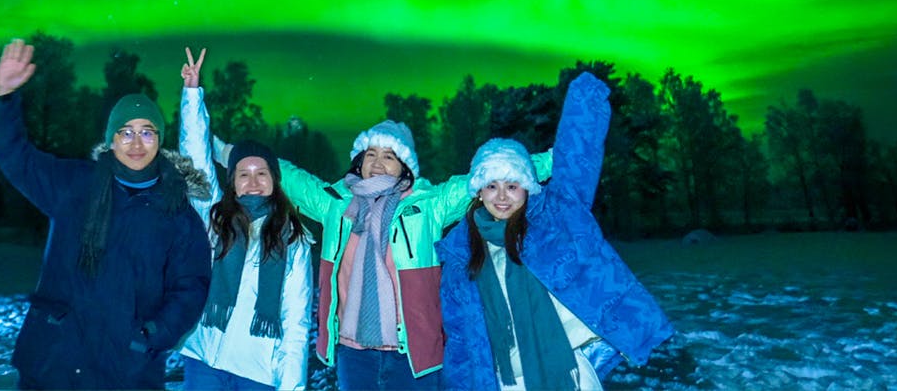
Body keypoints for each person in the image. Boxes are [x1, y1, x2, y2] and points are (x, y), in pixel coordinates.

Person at [214, 110, 551, 390]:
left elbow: (492, 170)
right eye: (370, 154)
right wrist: (230, 153)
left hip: (413, 353)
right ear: (359, 161)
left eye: (389, 156)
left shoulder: (428, 206)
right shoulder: (335, 203)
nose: (377, 162)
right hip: (353, 352)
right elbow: (284, 174)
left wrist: (553, 161)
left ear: (405, 166)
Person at [0, 38, 212, 390]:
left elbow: (191, 288)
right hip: (53, 363)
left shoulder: (178, 214)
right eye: (126, 132)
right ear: (111, 139)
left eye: (147, 132)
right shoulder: (75, 185)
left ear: (158, 140)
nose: (136, 143)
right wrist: (4, 97)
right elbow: (17, 157)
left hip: (125, 372)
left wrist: (149, 336)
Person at [436, 72, 674, 391]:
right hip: (503, 379)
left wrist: (584, 98)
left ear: (528, 188)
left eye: (512, 185)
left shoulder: (554, 220)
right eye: (492, 186)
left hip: (569, 369)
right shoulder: (460, 254)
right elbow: (460, 336)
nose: (502, 196)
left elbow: (577, 159)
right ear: (478, 192)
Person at [177, 47, 314, 391]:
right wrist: (192, 94)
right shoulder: (214, 219)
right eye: (243, 173)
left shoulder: (292, 239)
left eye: (261, 173)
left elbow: (296, 322)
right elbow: (195, 158)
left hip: (258, 373)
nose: (253, 181)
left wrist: (292, 386)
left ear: (274, 180)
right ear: (232, 182)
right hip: (204, 360)